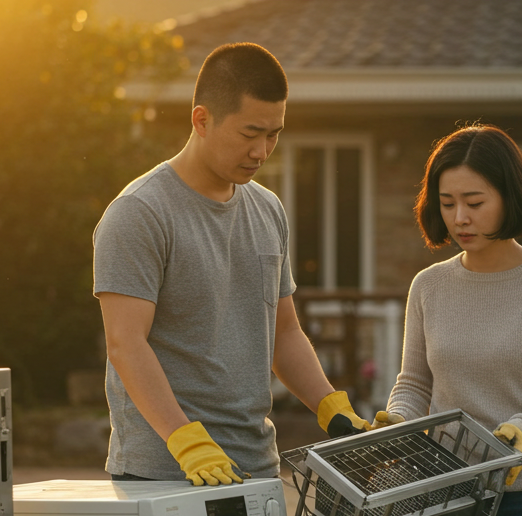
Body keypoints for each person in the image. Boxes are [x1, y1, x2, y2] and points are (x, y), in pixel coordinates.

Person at [93, 43, 367, 486]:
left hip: (255, 465)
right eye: (249, 133)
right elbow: (126, 343)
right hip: (164, 471)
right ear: (202, 120)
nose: (262, 151)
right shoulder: (140, 213)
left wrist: (331, 407)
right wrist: (187, 442)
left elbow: (284, 332)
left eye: (273, 134)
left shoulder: (268, 209)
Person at [373, 124, 522, 516]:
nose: (460, 218)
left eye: (474, 203)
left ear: (510, 197)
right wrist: (399, 419)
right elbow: (415, 384)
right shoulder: (428, 285)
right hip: (443, 493)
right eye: (447, 203)